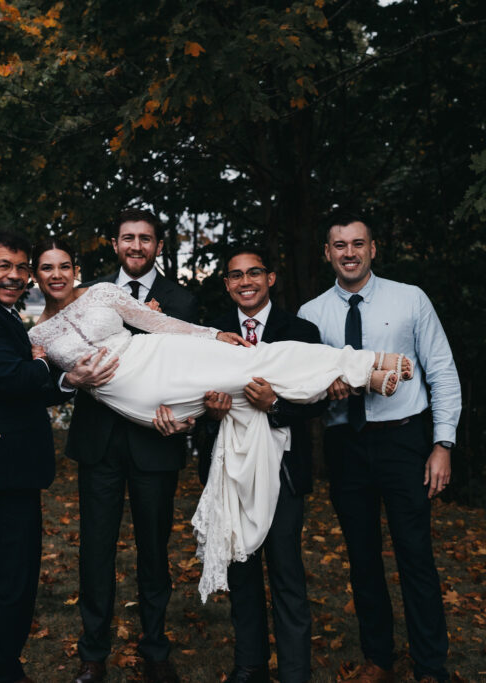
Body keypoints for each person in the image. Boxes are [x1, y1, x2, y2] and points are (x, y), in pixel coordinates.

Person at [28, 239, 408, 602]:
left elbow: (158, 324)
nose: (57, 274)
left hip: (154, 356)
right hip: (129, 400)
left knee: (251, 368)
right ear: (35, 274)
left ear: (76, 269)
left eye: (64, 265)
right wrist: (66, 379)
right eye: (47, 267)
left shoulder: (100, 293)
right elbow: (39, 383)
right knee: (248, 377)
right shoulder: (36, 333)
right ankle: (351, 372)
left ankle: (361, 367)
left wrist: (212, 335)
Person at [0, 231, 117, 683]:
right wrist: (42, 363)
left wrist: (59, 376)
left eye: (22, 268)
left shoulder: (1, 313)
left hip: (13, 472)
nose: (16, 276)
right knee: (9, 589)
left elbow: (28, 384)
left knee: (19, 587)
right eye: (4, 266)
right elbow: (15, 378)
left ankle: (5, 669)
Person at [298, 216, 460, 683]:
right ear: (326, 253)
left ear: (374, 249)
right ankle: (378, 659)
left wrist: (442, 444)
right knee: (362, 556)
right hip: (345, 444)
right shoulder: (311, 315)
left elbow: (443, 373)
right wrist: (321, 390)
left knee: (415, 555)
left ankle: (431, 666)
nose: (349, 252)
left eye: (358, 244)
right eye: (339, 245)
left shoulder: (410, 299)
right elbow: (302, 385)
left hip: (404, 440)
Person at [56, 209, 201, 683]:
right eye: (127, 238)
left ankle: (155, 650)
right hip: (99, 442)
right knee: (95, 551)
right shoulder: (90, 293)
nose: (135, 246)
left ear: (159, 245)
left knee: (154, 551)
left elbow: (193, 369)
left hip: (154, 443)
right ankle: (93, 654)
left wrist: (186, 418)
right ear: (114, 244)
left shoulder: (182, 298)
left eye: (145, 239)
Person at [195, 247, 327, 683]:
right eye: (235, 275)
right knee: (242, 569)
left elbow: (318, 399)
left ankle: (294, 672)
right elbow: (190, 394)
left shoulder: (301, 331)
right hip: (229, 473)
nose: (245, 282)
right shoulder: (209, 336)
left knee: (286, 571)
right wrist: (211, 414)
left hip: (283, 472)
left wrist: (276, 405)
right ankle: (249, 666)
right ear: (228, 284)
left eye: (254, 273)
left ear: (271, 278)